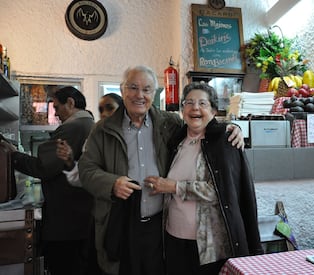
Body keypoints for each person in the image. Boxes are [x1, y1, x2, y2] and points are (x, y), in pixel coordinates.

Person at [78, 65, 244, 275]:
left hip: (160, 226)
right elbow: (86, 170)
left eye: (147, 89)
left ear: (153, 94)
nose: (140, 95)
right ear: (122, 90)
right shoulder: (102, 130)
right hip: (121, 223)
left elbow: (200, 125)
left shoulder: (169, 123)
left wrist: (230, 127)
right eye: (133, 88)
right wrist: (112, 184)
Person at [144, 82, 264, 275]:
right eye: (189, 102)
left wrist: (174, 187)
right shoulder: (177, 141)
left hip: (208, 245)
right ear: (182, 109)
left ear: (214, 110)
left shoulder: (225, 141)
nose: (195, 108)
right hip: (173, 235)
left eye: (202, 103)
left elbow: (221, 192)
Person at [11, 86, 96, 275]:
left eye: (57, 107)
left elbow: (44, 166)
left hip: (67, 220)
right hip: (81, 218)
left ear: (71, 103)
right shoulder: (89, 124)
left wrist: (14, 156)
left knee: (65, 265)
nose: (56, 114)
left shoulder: (74, 127)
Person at [56, 92, 123, 185]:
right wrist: (70, 161)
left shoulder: (135, 136)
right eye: (101, 110)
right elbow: (85, 177)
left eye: (110, 108)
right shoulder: (95, 139)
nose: (104, 114)